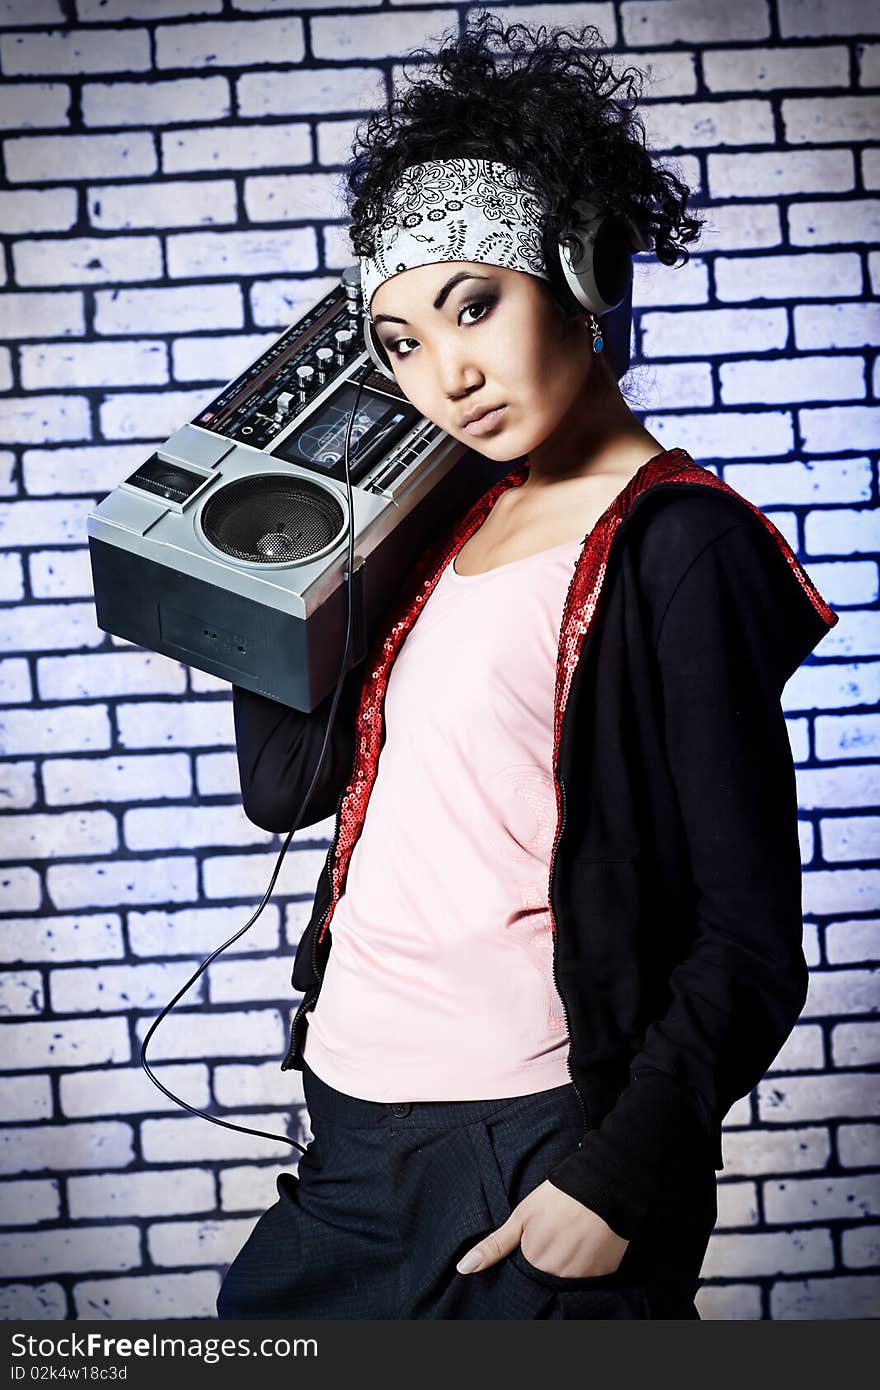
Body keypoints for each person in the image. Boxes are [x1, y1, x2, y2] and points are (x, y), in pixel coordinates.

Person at [216, 14, 838, 1321]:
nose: (448, 371)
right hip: (351, 1124)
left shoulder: (681, 546)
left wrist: (615, 1179)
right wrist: (268, 528)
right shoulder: (436, 528)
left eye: (473, 304)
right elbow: (285, 784)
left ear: (581, 265)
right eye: (398, 342)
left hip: (535, 1142)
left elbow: (749, 938)